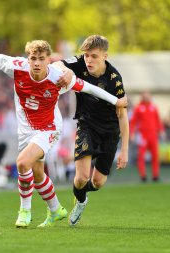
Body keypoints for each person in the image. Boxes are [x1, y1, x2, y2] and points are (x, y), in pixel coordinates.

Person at [0, 39, 127, 228]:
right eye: (33, 58)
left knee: (23, 163)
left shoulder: (59, 77)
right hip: (25, 130)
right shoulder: (17, 66)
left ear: (48, 60)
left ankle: (24, 211)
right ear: (28, 59)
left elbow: (89, 88)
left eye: (41, 59)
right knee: (38, 174)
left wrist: (116, 101)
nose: (37, 63)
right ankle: (56, 210)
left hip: (49, 128)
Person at [54, 35, 129, 226]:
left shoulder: (114, 79)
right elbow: (58, 64)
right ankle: (80, 201)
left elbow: (122, 115)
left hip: (110, 132)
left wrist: (125, 150)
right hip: (87, 126)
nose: (88, 60)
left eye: (93, 56)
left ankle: (85, 194)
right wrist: (67, 72)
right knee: (81, 178)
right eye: (86, 55)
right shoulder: (80, 63)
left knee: (97, 183)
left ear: (105, 56)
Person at [130, 91, 164, 182]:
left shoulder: (154, 107)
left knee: (155, 156)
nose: (146, 97)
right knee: (141, 156)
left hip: (153, 136)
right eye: (145, 96)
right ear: (142, 97)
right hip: (143, 136)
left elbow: (158, 120)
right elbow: (133, 122)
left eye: (148, 95)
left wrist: (161, 131)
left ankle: (155, 176)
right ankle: (143, 176)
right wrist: (132, 133)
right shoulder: (138, 108)